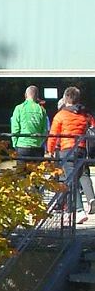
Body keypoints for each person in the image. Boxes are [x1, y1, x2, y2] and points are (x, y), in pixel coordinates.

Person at [46, 86, 95, 219]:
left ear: (65, 98)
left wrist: (50, 150)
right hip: (81, 149)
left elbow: (53, 135)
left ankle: (78, 211)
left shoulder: (61, 115)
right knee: (76, 178)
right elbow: (91, 126)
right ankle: (73, 210)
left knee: (70, 180)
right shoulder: (84, 115)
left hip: (67, 150)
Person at [10, 85, 49, 163]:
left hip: (22, 145)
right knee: (36, 170)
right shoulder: (42, 110)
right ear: (37, 96)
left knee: (21, 170)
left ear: (25, 95)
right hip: (37, 147)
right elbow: (45, 130)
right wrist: (39, 142)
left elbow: (15, 128)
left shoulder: (19, 108)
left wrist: (15, 144)